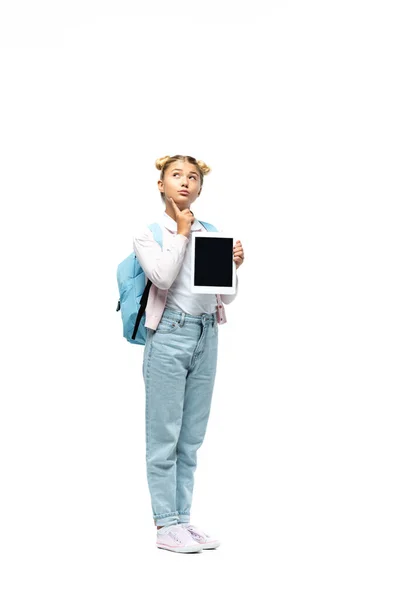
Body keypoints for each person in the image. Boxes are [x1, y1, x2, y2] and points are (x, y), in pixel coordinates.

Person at [132, 154, 244, 553]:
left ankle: (183, 519)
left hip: (206, 335)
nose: (185, 182)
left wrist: (234, 266)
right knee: (164, 434)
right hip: (169, 336)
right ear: (161, 185)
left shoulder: (212, 232)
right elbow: (161, 276)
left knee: (191, 438)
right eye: (176, 175)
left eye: (192, 177)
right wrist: (181, 233)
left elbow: (224, 295)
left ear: (200, 187)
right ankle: (165, 525)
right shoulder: (150, 233)